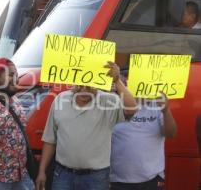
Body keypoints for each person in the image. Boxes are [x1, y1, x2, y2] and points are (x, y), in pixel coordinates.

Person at [36, 62, 137, 190]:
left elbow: (131, 109)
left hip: (96, 178)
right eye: (80, 84)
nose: (84, 89)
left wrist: (117, 81)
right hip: (63, 175)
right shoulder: (60, 100)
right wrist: (42, 171)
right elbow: (50, 140)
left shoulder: (109, 101)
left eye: (89, 85)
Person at [0, 58, 35, 190]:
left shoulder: (14, 99)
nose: (16, 79)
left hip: (21, 174)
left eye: (16, 75)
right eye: (10, 75)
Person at [110, 94, 177, 190]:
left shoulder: (158, 105)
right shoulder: (114, 105)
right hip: (118, 181)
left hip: (153, 180)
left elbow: (171, 134)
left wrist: (166, 111)